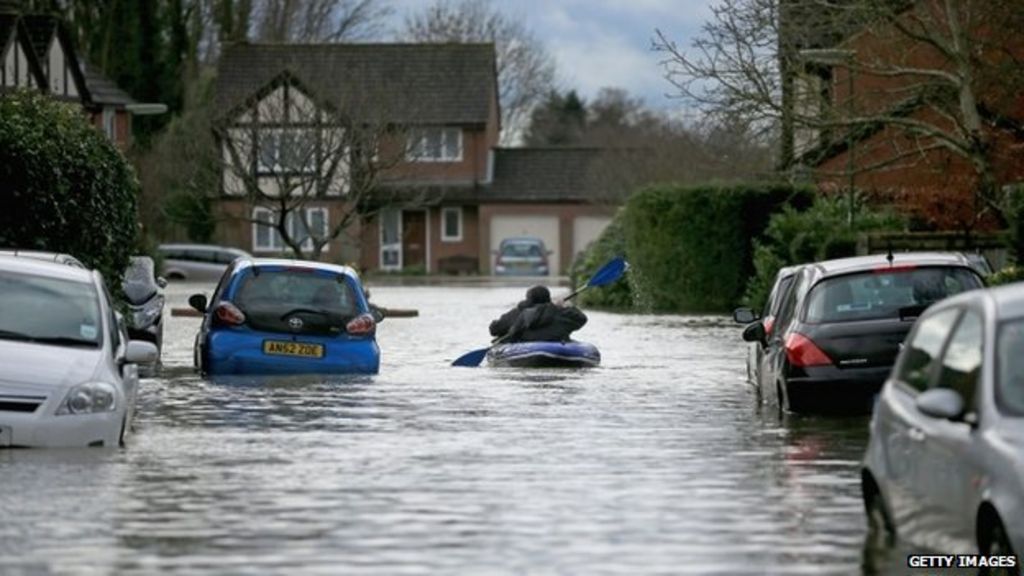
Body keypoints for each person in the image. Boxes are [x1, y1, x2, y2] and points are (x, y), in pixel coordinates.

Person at [489, 285, 587, 343]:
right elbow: (582, 319)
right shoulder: (561, 313)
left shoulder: (517, 313)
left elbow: (494, 329)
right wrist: (565, 306)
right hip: (557, 346)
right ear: (548, 299)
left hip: (528, 347)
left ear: (528, 299)